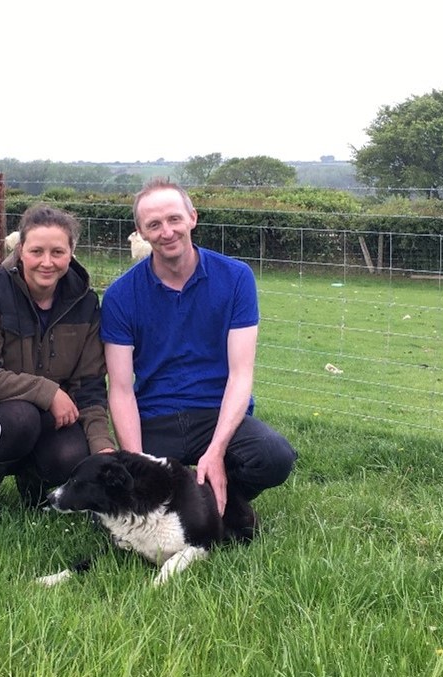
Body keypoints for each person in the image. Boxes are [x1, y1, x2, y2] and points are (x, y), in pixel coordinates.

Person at [100, 178, 297, 542]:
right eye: (153, 225)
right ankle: (207, 504)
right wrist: (138, 467)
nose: (166, 231)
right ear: (140, 232)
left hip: (215, 413)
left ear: (193, 217)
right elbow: (122, 389)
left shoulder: (236, 278)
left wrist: (217, 450)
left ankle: (222, 496)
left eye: (174, 219)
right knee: (117, 489)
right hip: (156, 416)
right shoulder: (119, 296)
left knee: (274, 456)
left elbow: (241, 374)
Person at [0, 204, 115, 525]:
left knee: (74, 452)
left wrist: (102, 448)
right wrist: (47, 391)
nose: (47, 262)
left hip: (42, 415)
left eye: (58, 251)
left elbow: (89, 387)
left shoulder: (85, 304)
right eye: (37, 251)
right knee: (19, 418)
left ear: (71, 252)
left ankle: (33, 491)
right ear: (20, 251)